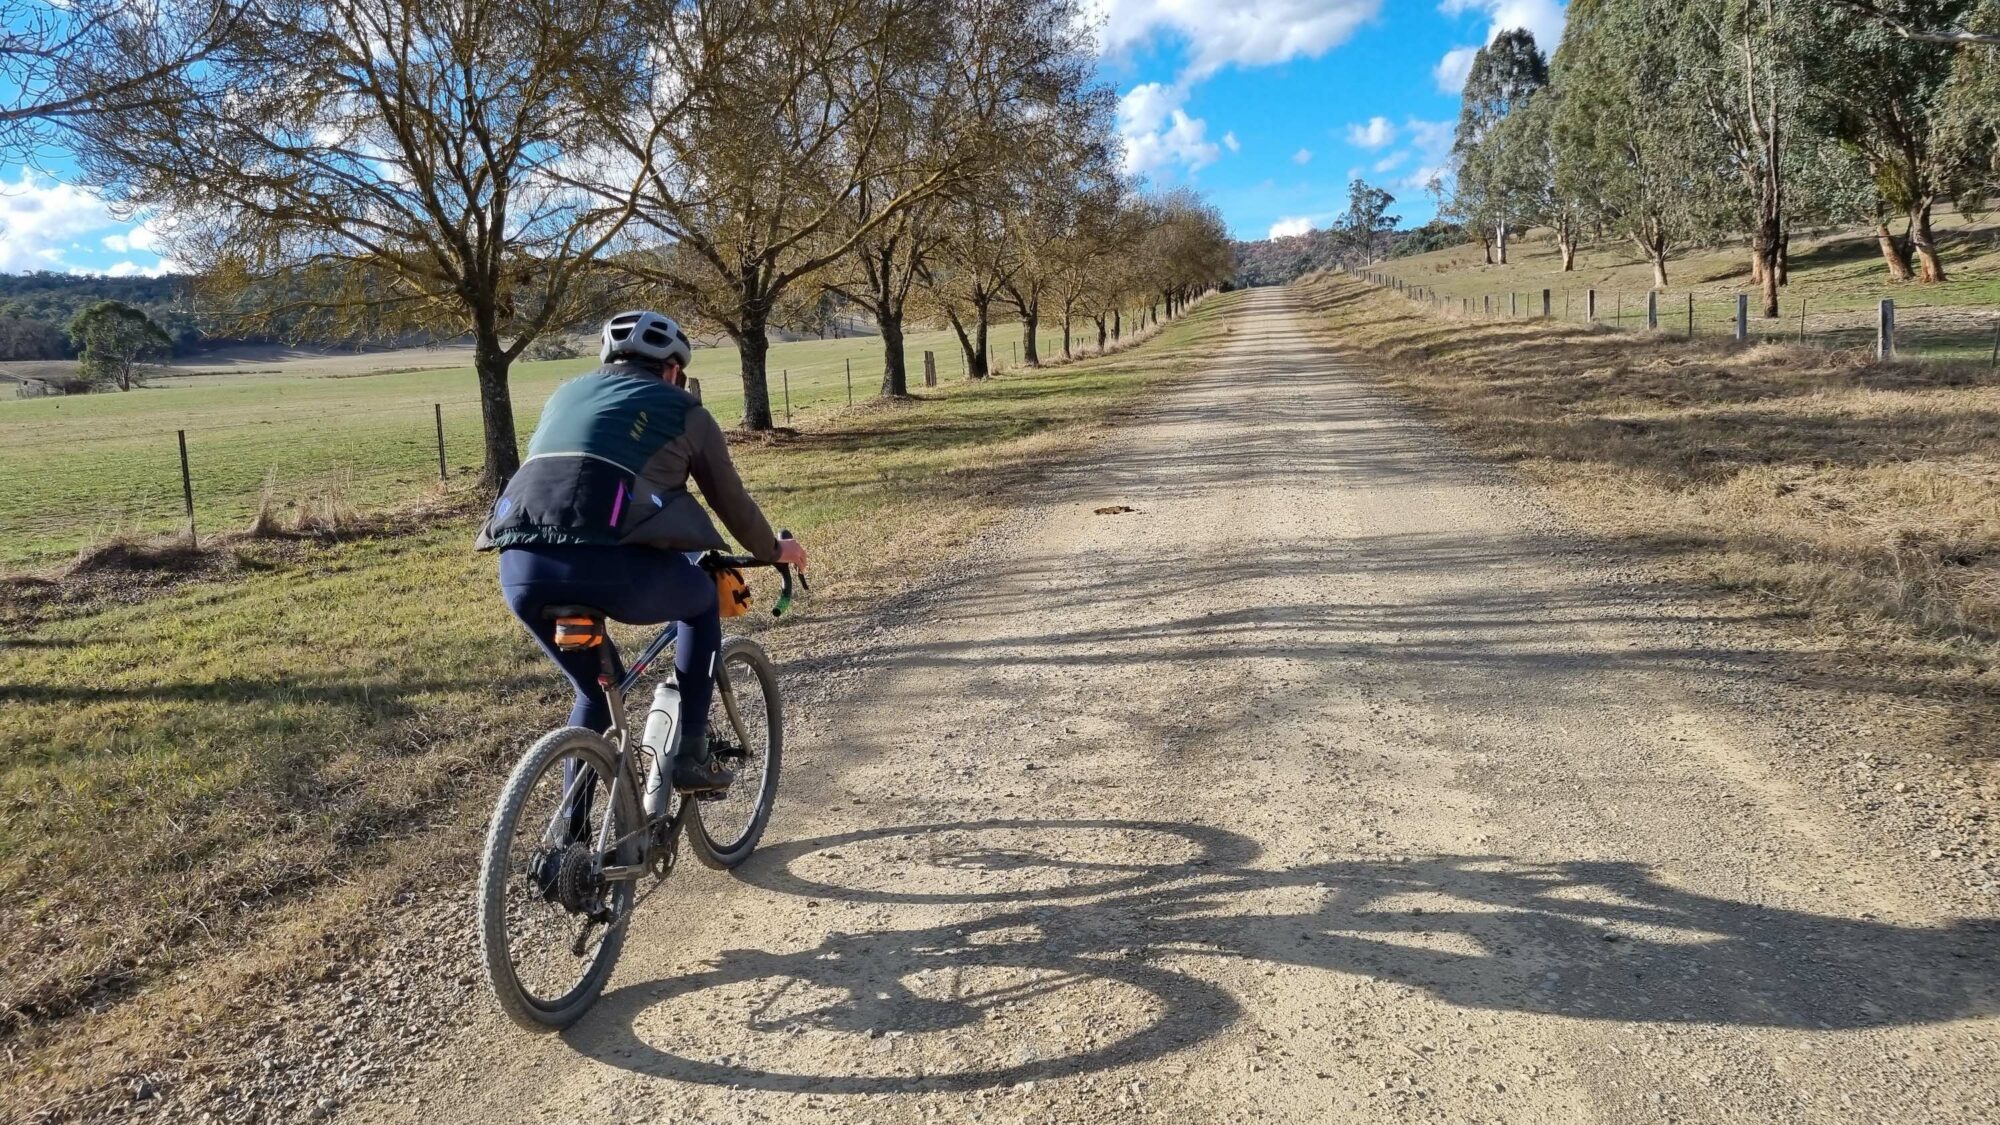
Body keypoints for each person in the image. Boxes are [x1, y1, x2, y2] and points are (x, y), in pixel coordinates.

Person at [476, 311, 806, 791]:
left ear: (608, 360)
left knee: (594, 690)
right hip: (607, 564)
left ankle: (572, 845)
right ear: (673, 369)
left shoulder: (564, 395)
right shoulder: (684, 411)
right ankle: (692, 754)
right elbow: (729, 501)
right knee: (698, 601)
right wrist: (773, 548)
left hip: (522, 567)